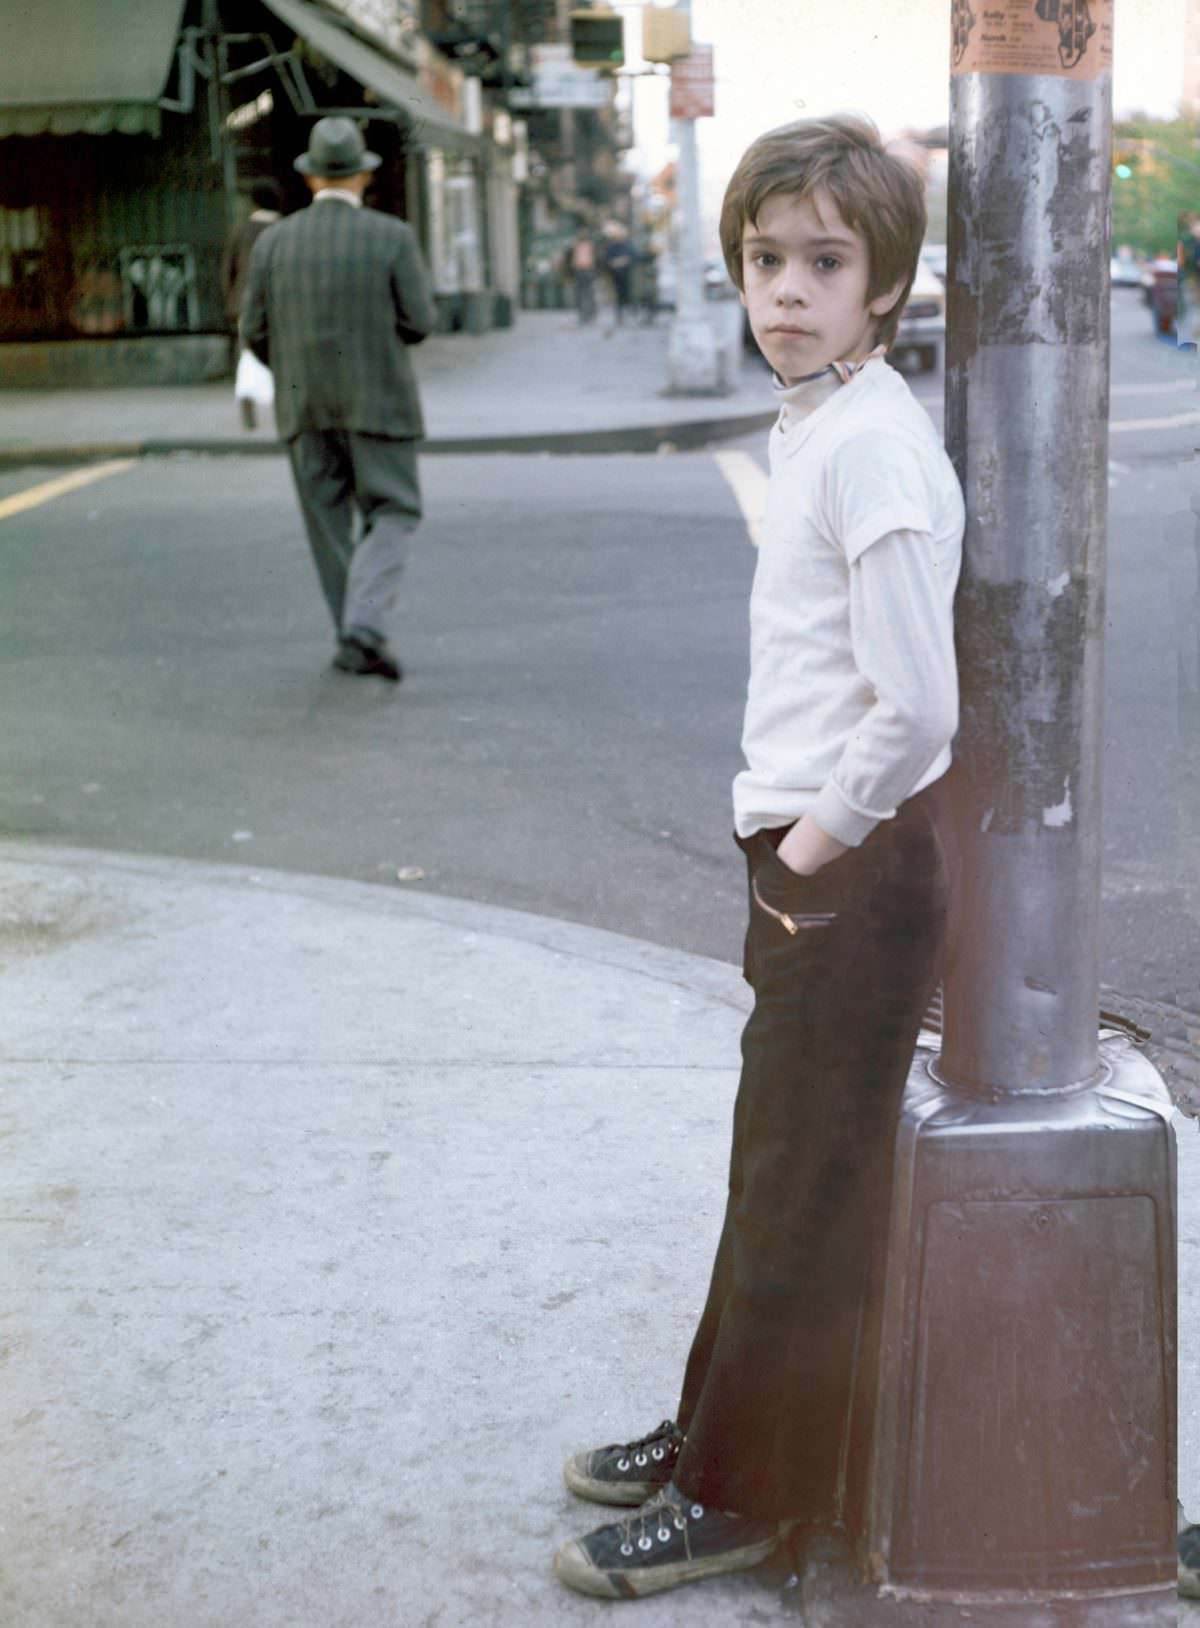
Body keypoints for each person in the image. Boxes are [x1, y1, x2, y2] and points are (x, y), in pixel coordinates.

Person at [553, 114, 964, 1601]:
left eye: (823, 262)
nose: (784, 289)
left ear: (885, 289)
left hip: (844, 872)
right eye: (762, 258)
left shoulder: (872, 450)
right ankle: (715, 1435)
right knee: (771, 1170)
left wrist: (808, 851)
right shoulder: (817, 426)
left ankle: (745, 1495)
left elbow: (919, 707)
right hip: (812, 865)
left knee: (804, 1188)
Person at [241, 117, 436, 682]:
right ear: (361, 178)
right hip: (381, 403)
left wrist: (296, 367)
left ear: (309, 180)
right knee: (395, 510)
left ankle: (351, 634)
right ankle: (364, 628)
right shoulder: (392, 236)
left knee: (328, 526)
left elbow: (253, 330)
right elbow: (420, 322)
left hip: (303, 407)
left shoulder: (273, 241)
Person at [221, 178, 283, 429]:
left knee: (248, 355)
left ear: (254, 203)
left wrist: (230, 299)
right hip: (281, 302)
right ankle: (282, 411)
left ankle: (248, 408)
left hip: (245, 302)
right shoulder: (284, 228)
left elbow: (227, 270)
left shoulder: (241, 230)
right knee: (282, 356)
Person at [601, 222, 635, 331]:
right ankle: (620, 313)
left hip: (627, 274)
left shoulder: (628, 245)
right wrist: (615, 262)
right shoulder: (612, 246)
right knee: (618, 294)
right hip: (615, 274)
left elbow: (633, 256)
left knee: (626, 293)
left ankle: (628, 311)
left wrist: (624, 261)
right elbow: (607, 259)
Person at [569, 229, 598, 324]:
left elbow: (596, 259)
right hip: (578, 270)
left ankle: (590, 314)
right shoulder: (575, 246)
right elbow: (570, 258)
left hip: (588, 270)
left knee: (589, 293)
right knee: (579, 294)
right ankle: (582, 315)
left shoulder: (591, 246)